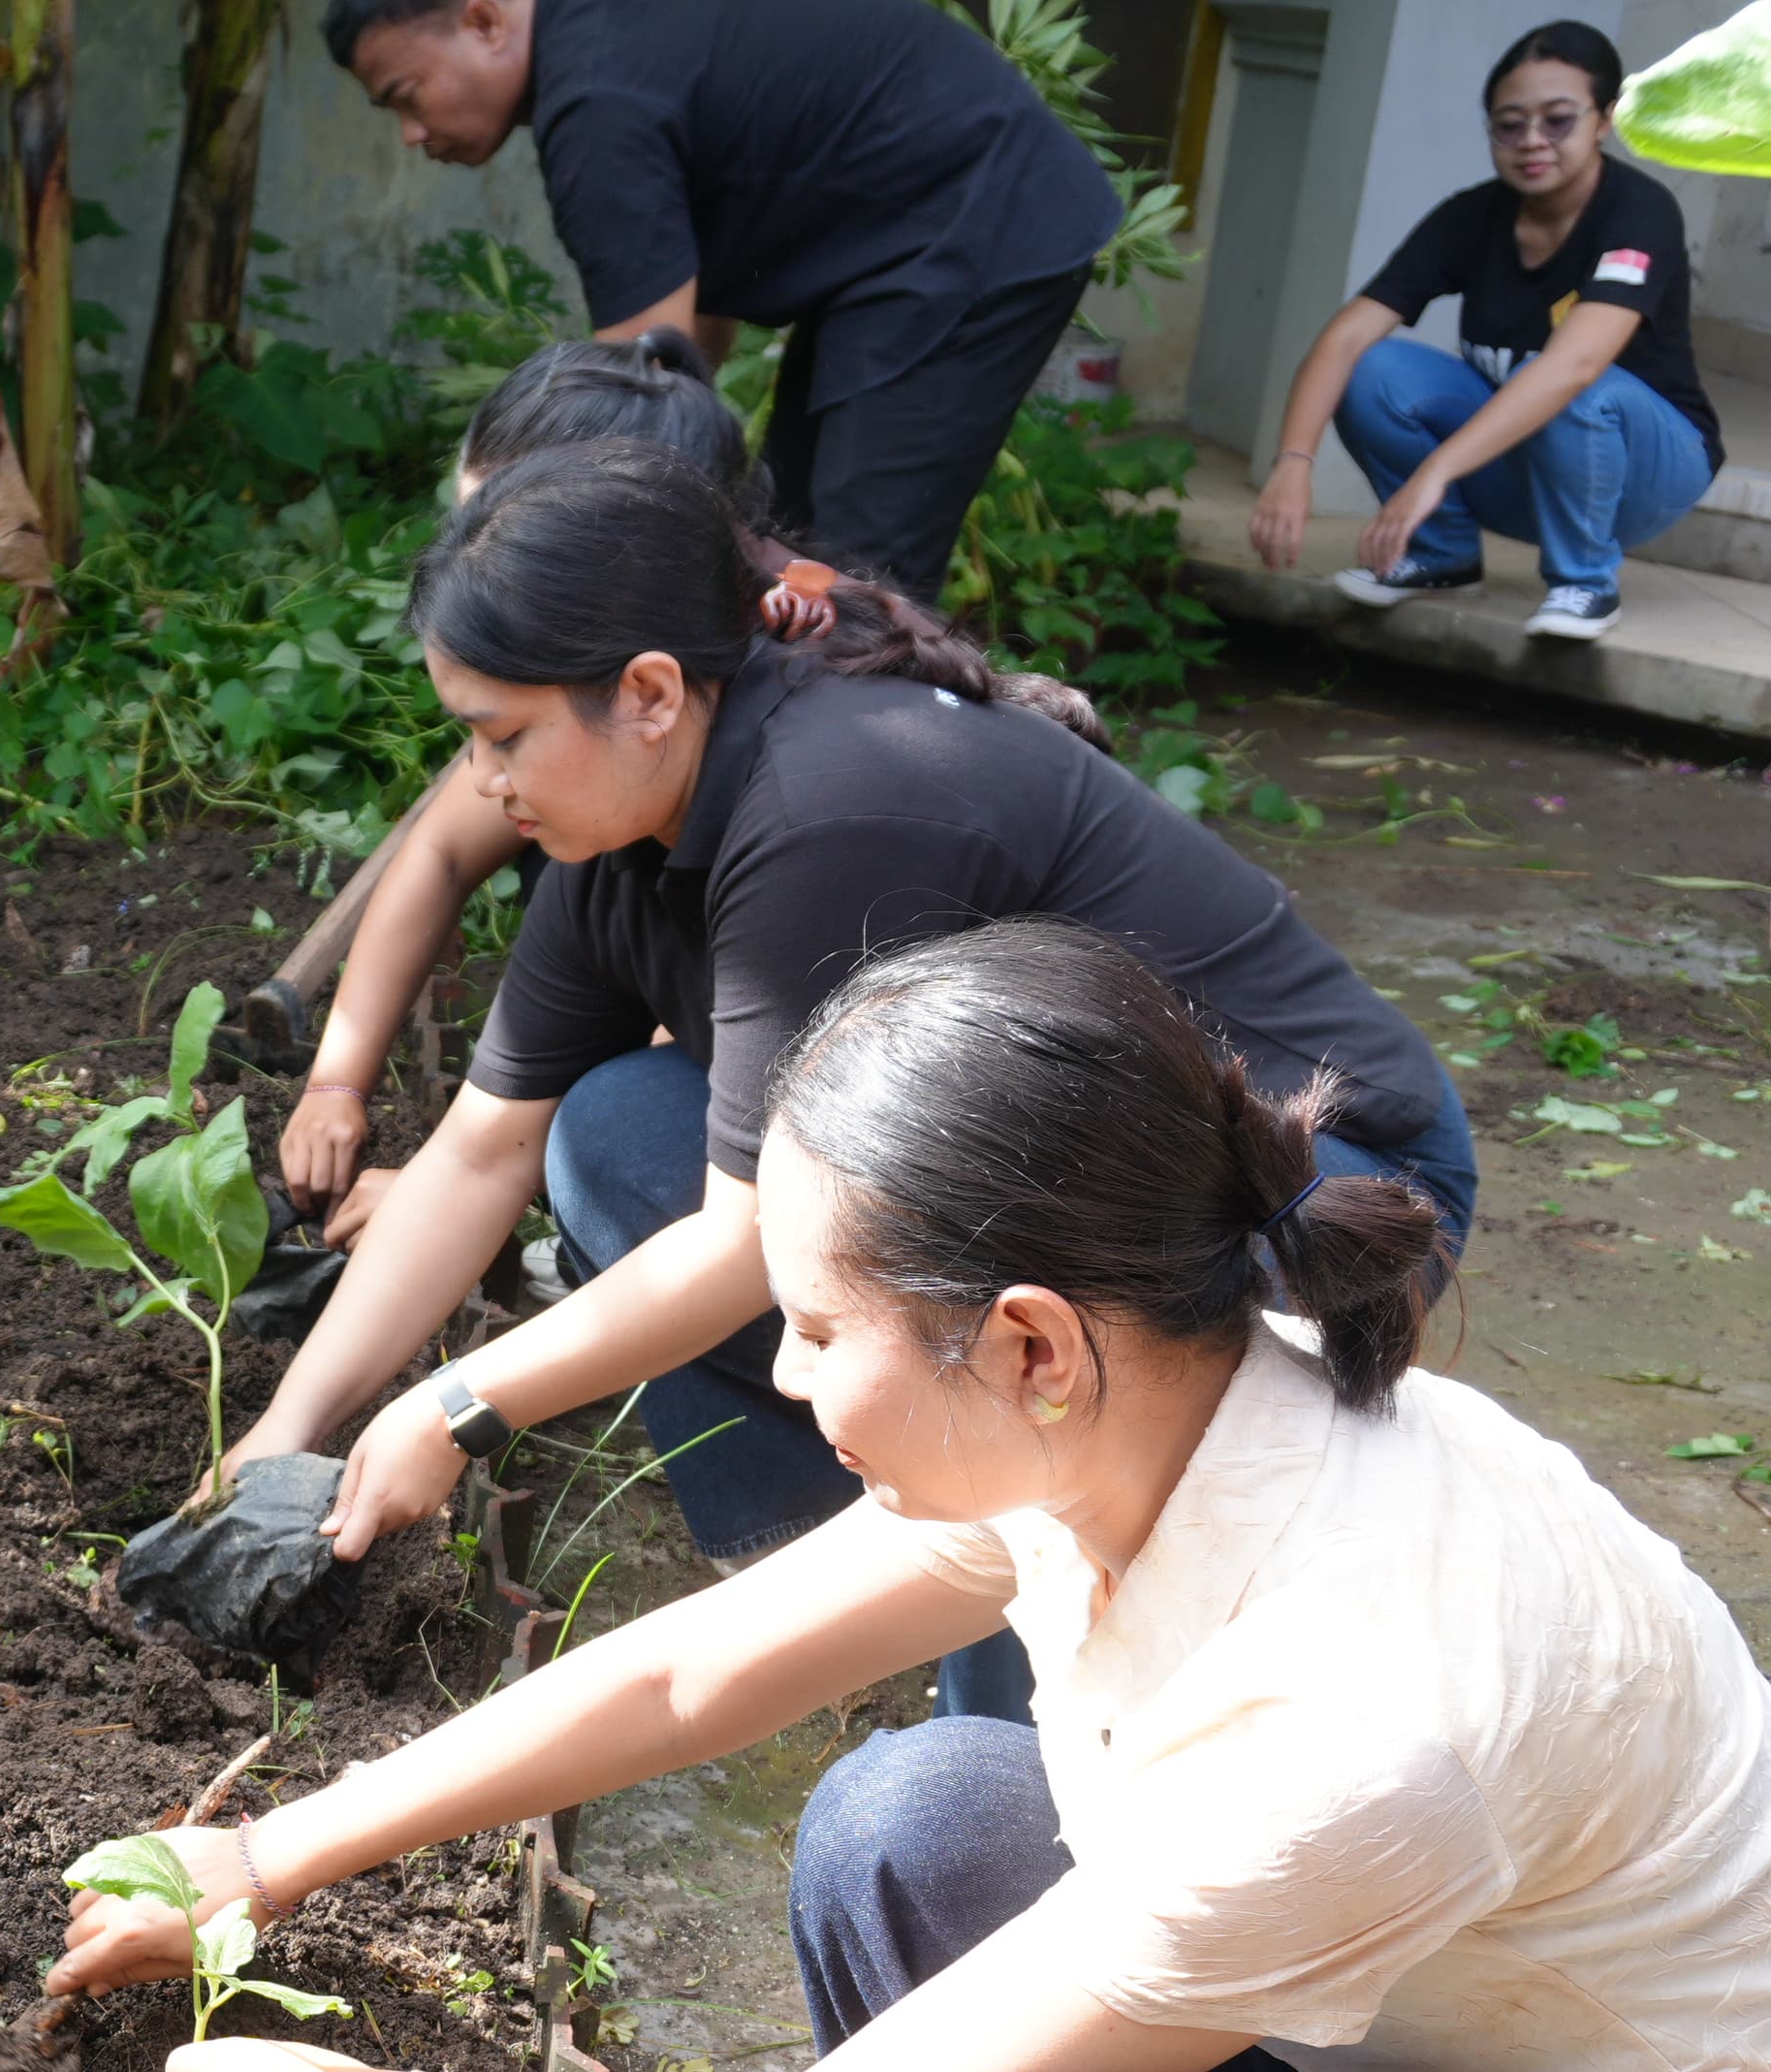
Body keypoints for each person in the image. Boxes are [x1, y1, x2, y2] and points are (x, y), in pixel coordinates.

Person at [64, 927, 1771, 2072]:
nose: (788, 1375)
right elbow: (692, 1665)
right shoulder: (1169, 1392)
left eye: (815, 1320)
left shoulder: (1362, 1711)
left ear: (1029, 1337)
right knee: (912, 1821)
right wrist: (266, 1855)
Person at [224, 444, 1475, 1720]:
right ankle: (861, 1599)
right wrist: (291, 1427)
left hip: (1311, 1180)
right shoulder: (621, 839)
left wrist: (456, 1410)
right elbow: (480, 1155)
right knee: (612, 1133)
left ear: (650, 692)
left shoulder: (829, 805)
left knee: (1020, 1700)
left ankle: (1005, 1667)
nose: (482, 785)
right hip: (1050, 1181)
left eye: (502, 737)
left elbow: (738, 1240)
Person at [283, 334, 1107, 1244]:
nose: (477, 576)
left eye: (517, 535)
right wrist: (339, 1086)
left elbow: (724, 1017)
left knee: (617, 1133)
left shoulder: (788, 731)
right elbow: (441, 850)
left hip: (977, 1136)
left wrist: (478, 1187)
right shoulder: (591, 716)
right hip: (843, 1076)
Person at [319, 0, 1120, 598]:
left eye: (404, 94)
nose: (411, 135)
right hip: (907, 242)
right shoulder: (601, 39)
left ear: (485, 19)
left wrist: (563, 568)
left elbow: (638, 410)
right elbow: (683, 346)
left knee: (857, 582)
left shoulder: (597, 106)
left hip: (973, 225)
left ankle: (868, 794)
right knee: (793, 541)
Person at [1250, 21, 1719, 646]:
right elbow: (1344, 338)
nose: (1532, 141)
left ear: (1604, 120)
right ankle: (1443, 555)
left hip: (1649, 469)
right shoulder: (1471, 215)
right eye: (1509, 124)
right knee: (1373, 368)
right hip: (1530, 465)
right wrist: (1292, 463)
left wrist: (1435, 469)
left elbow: (1573, 368)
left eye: (1558, 120)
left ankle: (1585, 582)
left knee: (1558, 381)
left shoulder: (1640, 212)